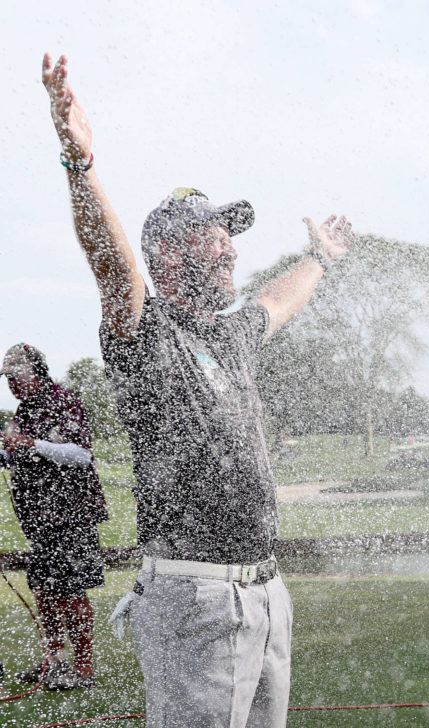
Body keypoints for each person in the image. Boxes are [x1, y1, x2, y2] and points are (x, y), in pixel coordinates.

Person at [42, 53, 358, 727]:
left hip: (266, 591)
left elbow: (278, 298)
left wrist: (321, 258)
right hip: (195, 598)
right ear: (169, 253)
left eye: (229, 237)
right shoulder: (145, 330)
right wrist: (81, 165)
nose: (231, 249)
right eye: (214, 236)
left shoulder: (231, 336)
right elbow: (111, 267)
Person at [1, 344, 108, 690]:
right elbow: (21, 455)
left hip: (71, 516)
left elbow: (81, 455)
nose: (12, 385)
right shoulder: (25, 409)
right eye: (8, 379)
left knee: (72, 592)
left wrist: (30, 444)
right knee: (45, 591)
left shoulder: (63, 399)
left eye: (17, 376)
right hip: (42, 521)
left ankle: (84, 669)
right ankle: (54, 662)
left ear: (37, 372)